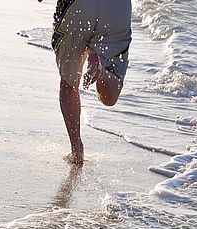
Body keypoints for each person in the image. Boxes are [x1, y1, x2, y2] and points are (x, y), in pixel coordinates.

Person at [38, 0, 132, 165]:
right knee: (109, 98)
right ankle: (102, 70)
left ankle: (76, 149)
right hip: (116, 8)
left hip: (77, 6)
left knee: (69, 82)